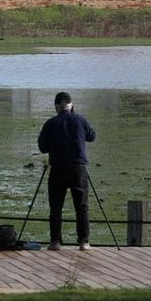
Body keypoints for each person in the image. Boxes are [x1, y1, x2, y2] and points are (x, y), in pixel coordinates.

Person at [36, 91, 96, 251]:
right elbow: (92, 136)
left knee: (56, 206)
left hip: (58, 169)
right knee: (81, 206)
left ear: (56, 107)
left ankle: (55, 241)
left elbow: (42, 147)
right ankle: (83, 241)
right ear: (71, 105)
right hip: (78, 168)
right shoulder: (81, 120)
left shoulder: (50, 123)